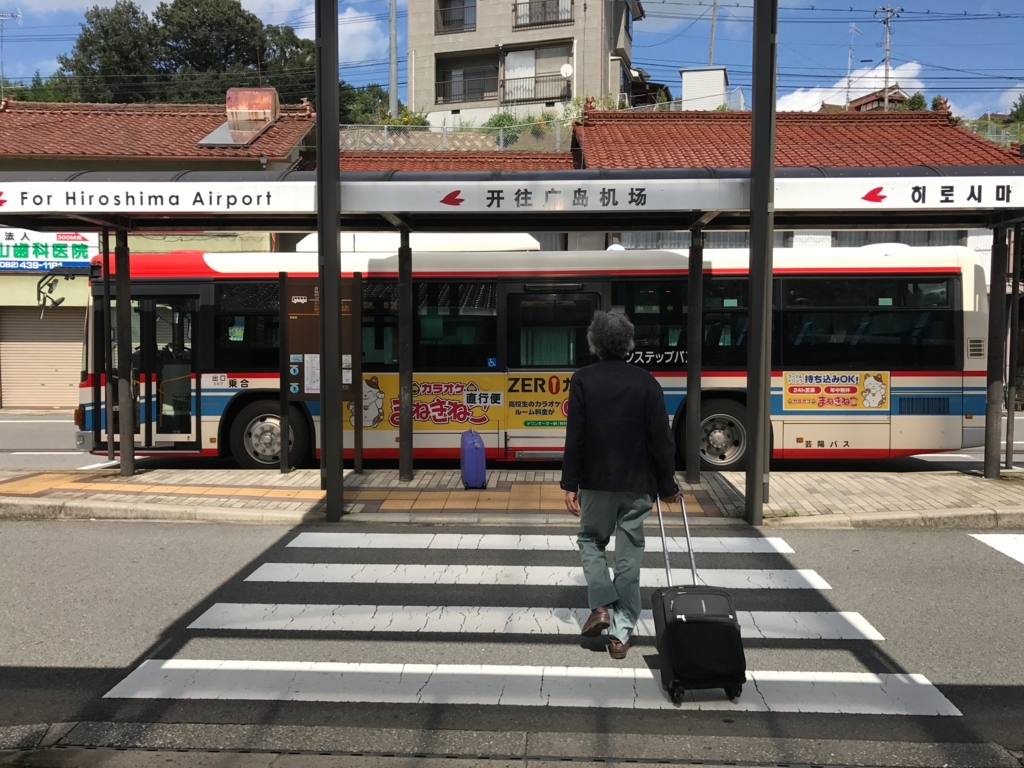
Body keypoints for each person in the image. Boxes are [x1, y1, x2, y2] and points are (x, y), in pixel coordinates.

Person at [560, 310, 679, 659]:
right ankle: (620, 635)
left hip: (595, 482)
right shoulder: (647, 382)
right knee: (629, 554)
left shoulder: (582, 379)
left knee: (590, 540)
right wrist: (668, 484)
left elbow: (576, 436)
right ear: (628, 343)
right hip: (638, 483)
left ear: (594, 343)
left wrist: (570, 482)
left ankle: (600, 606)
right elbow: (662, 440)